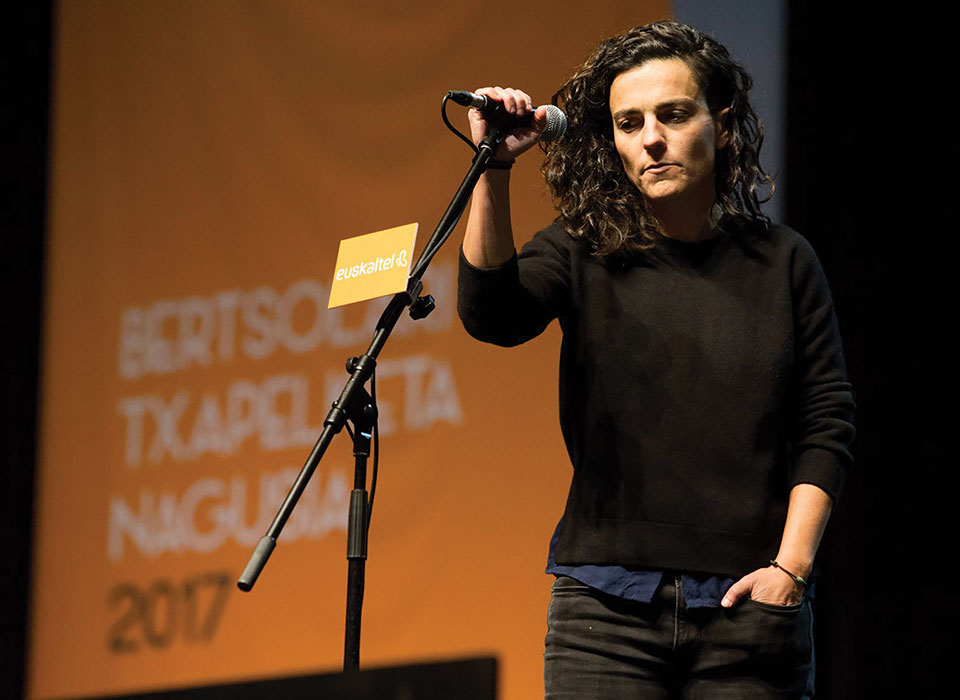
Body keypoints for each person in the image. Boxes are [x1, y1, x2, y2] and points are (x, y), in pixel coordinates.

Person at [456, 20, 855, 700]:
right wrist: (494, 166)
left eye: (673, 115)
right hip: (606, 613)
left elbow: (827, 423)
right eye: (629, 123)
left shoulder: (783, 262)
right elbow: (491, 314)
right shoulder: (583, 248)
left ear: (721, 125)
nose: (651, 139)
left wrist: (790, 571)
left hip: (748, 609)